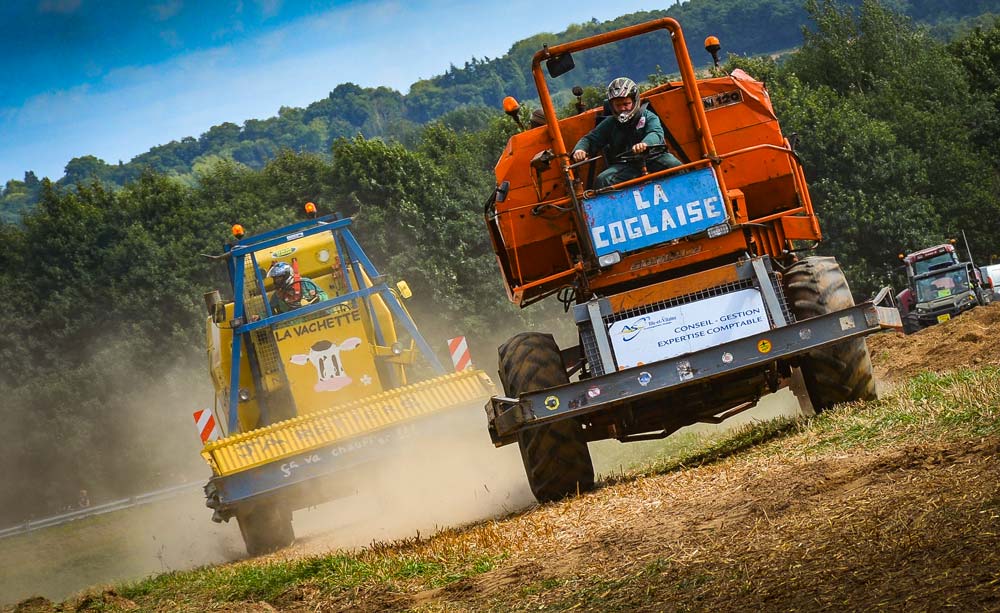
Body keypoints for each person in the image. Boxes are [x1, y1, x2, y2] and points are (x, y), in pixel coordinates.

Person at [571, 77, 681, 189]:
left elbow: (655, 133)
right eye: (618, 105)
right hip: (627, 165)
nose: (623, 108)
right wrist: (580, 149)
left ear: (634, 101)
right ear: (611, 106)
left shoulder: (648, 116)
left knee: (676, 167)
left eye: (626, 103)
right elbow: (590, 139)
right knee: (603, 180)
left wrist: (645, 143)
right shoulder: (610, 123)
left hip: (654, 158)